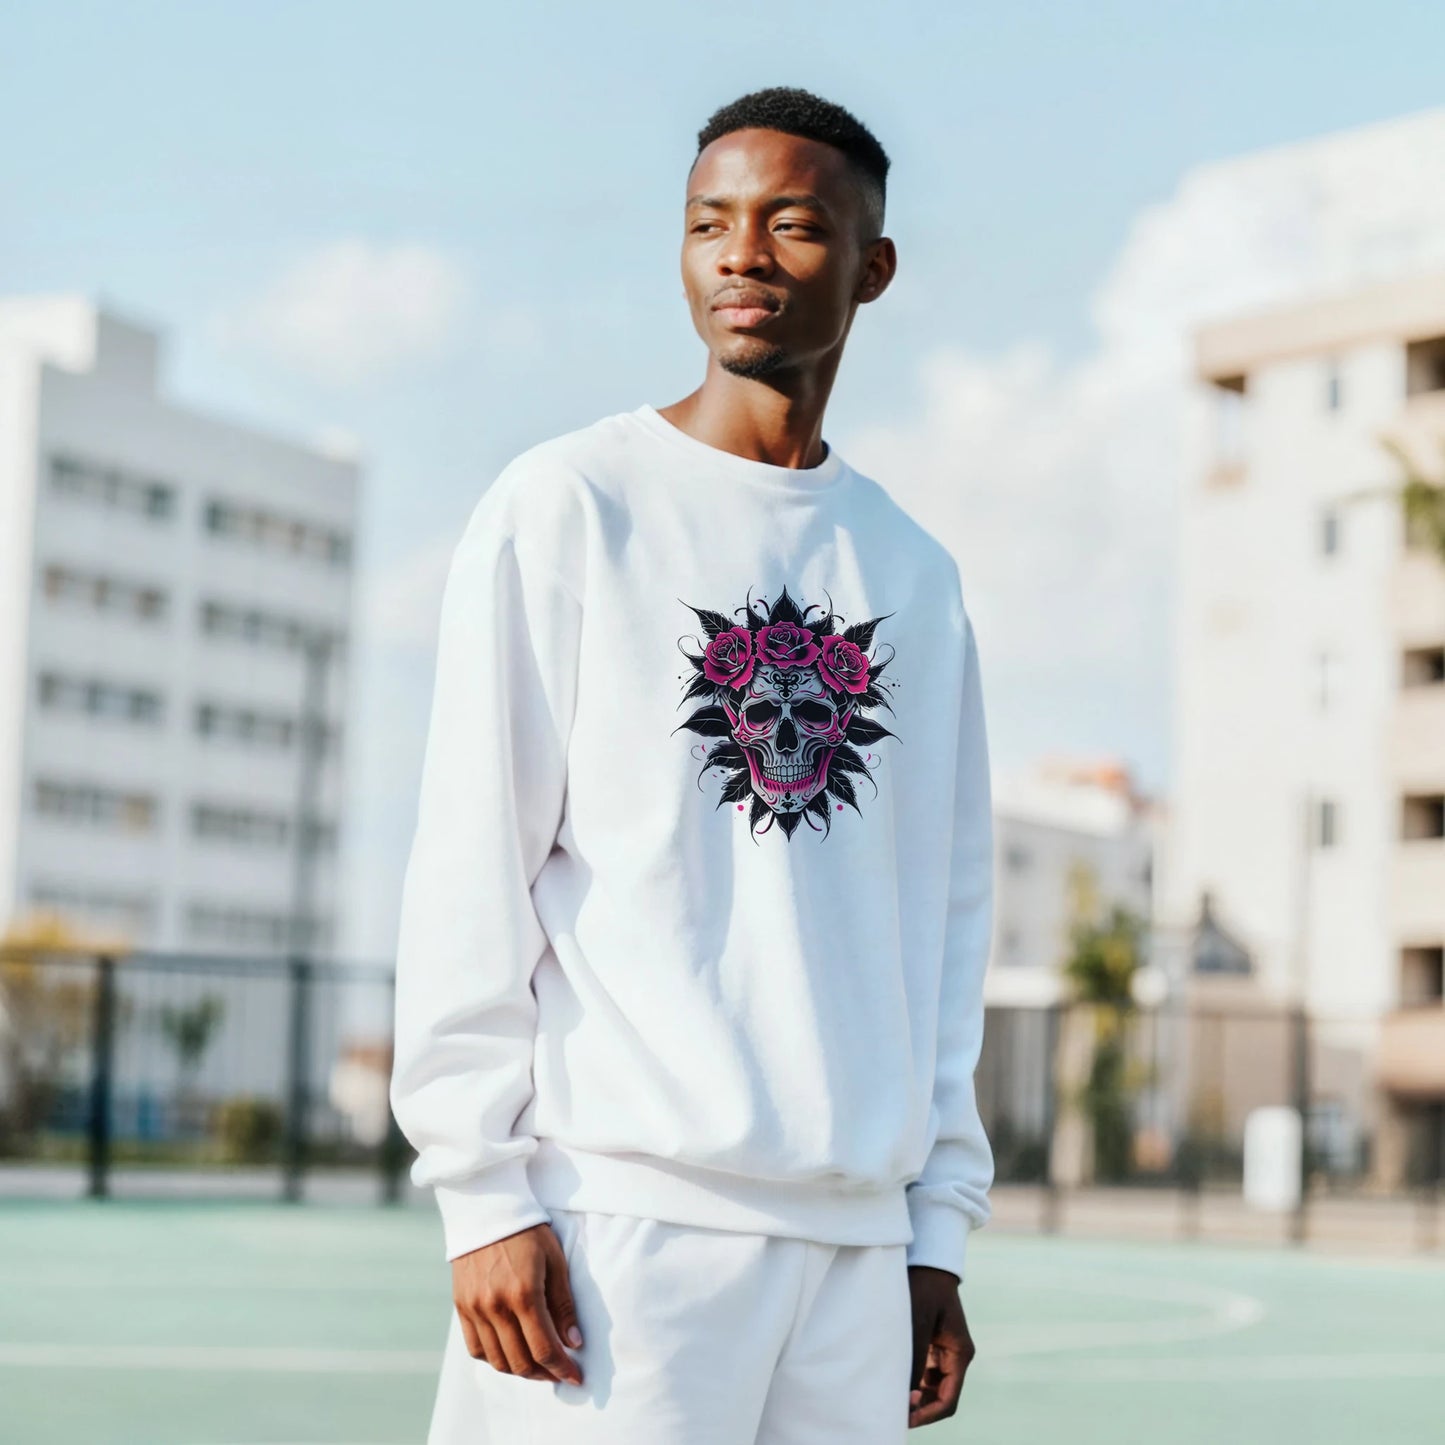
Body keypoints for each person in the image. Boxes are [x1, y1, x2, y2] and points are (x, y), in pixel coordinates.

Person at [389, 83, 996, 1443]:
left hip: (850, 1252)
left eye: (790, 225)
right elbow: (471, 860)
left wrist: (933, 1224)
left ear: (870, 264)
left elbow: (943, 924)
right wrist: (482, 1191)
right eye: (707, 224)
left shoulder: (913, 573)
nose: (740, 256)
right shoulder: (568, 507)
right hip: (620, 1228)